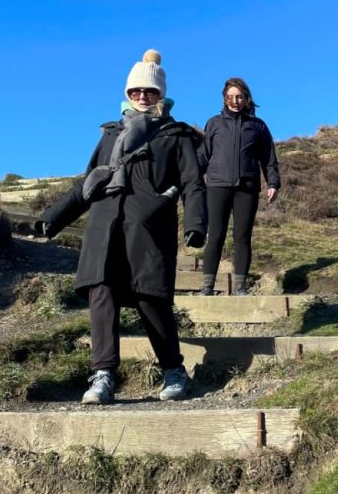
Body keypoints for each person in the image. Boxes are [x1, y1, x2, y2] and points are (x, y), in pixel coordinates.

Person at [38, 50, 206, 404]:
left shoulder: (176, 135)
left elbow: (193, 182)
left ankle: (174, 370)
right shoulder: (110, 134)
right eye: (136, 91)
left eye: (150, 91)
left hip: (148, 227)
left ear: (162, 95)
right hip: (104, 225)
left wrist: (195, 222)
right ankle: (103, 375)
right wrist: (52, 217)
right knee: (102, 294)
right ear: (127, 94)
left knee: (151, 298)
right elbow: (88, 183)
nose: (142, 97)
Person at [198, 77, 280, 296]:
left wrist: (273, 182)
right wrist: (191, 179)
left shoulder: (258, 126)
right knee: (215, 235)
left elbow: (269, 157)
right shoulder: (214, 123)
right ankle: (207, 286)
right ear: (225, 100)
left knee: (242, 237)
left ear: (246, 98)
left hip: (247, 187)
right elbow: (203, 156)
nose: (235, 101)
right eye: (230, 97)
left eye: (239, 97)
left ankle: (240, 286)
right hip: (218, 186)